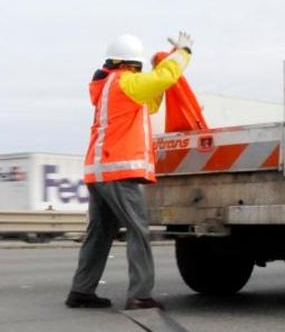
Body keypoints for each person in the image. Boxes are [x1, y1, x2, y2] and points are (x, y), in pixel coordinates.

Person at [65, 32, 192, 310]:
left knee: (99, 233)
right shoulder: (127, 82)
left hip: (98, 172)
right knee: (137, 231)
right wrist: (181, 54)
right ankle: (140, 295)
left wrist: (163, 65)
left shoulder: (108, 86)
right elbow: (163, 79)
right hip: (119, 171)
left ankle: (81, 291)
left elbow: (151, 100)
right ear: (132, 64)